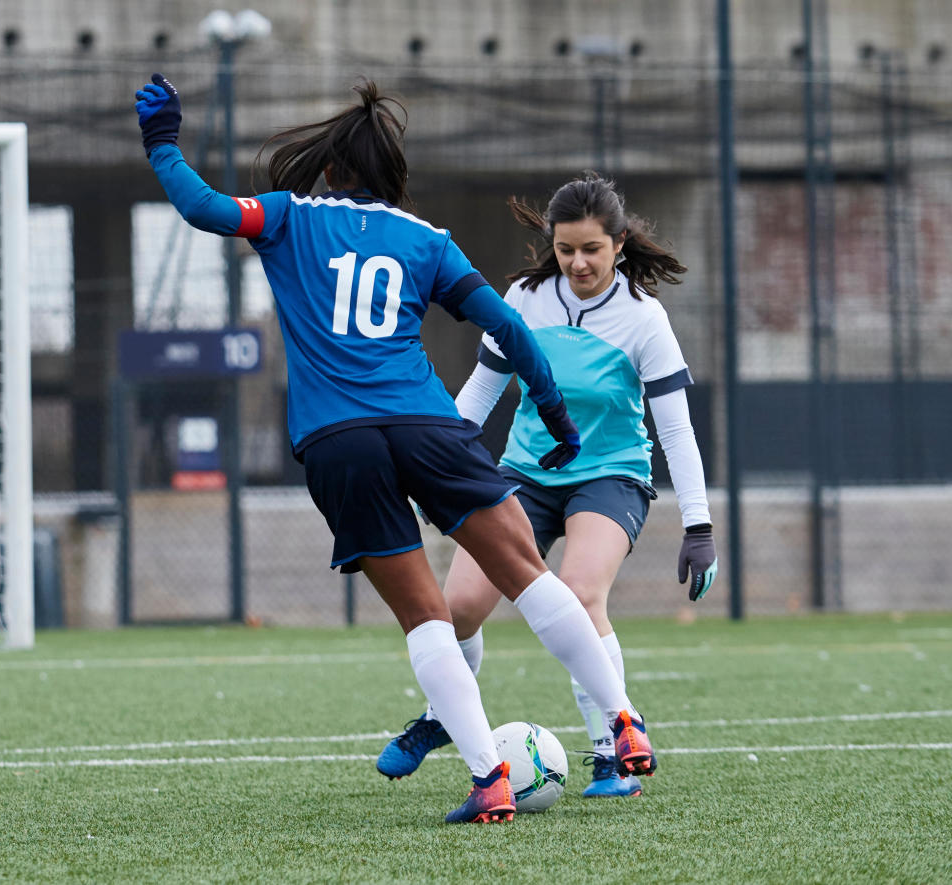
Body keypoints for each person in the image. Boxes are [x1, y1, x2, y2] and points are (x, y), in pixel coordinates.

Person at [134, 76, 658, 823]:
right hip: (430, 427)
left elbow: (201, 207)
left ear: (330, 170)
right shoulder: (426, 240)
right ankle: (621, 719)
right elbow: (510, 333)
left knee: (427, 616)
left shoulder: (287, 217)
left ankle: (490, 779)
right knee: (530, 575)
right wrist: (553, 412)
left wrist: (162, 143)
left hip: (340, 440)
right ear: (392, 178)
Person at [377, 173, 716, 798]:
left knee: (581, 594)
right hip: (525, 474)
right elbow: (479, 393)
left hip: (610, 477)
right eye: (566, 250)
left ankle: (612, 751)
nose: (578, 262)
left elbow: (677, 429)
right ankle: (440, 718)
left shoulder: (645, 318)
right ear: (551, 246)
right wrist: (436, 471)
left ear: (618, 244)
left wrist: (699, 525)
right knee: (456, 612)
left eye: (591, 248)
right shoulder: (525, 299)